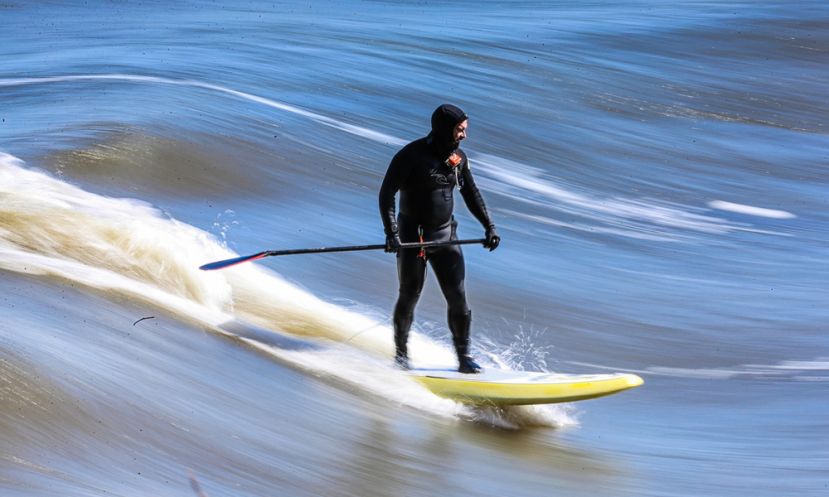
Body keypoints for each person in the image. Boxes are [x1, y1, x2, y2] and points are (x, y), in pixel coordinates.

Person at [379, 103, 500, 374]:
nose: (464, 135)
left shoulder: (459, 159)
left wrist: (489, 226)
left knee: (458, 298)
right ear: (446, 129)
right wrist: (391, 234)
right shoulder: (411, 156)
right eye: (460, 130)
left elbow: (472, 194)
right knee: (409, 295)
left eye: (465, 130)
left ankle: (463, 359)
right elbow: (387, 194)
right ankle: (401, 357)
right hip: (414, 238)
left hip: (447, 236)